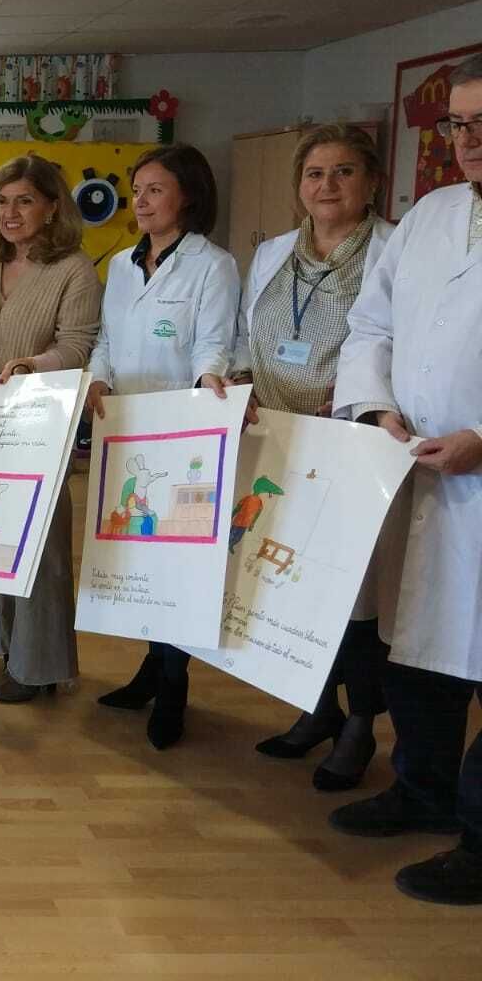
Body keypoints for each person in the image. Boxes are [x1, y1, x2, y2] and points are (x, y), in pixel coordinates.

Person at [329, 53, 482, 906]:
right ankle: (421, 791)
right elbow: (369, 325)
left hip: (477, 470)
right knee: (418, 646)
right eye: (458, 123)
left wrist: (481, 439)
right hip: (418, 472)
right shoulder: (430, 217)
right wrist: (375, 407)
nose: (468, 140)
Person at [224, 124, 395, 790]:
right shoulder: (271, 254)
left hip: (350, 445)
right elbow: (247, 335)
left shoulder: (392, 251)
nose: (327, 186)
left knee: (350, 595)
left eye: (344, 172)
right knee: (287, 581)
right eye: (315, 173)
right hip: (276, 441)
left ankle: (360, 725)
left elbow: (394, 345)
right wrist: (236, 380)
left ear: (373, 181)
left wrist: (360, 403)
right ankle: (316, 709)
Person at [88, 143, 239, 749]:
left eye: (155, 189)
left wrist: (210, 380)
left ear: (188, 196)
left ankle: (174, 683)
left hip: (184, 432)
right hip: (124, 427)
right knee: (139, 558)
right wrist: (97, 376)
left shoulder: (213, 264)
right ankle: (152, 667)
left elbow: (214, 344)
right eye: (137, 189)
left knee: (178, 561)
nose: (141, 200)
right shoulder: (123, 264)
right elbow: (106, 336)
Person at [0, 154, 101, 702]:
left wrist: (35, 365)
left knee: (39, 543)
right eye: (2, 202)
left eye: (25, 201)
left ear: (53, 206)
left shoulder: (75, 268)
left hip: (38, 419)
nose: (10, 213)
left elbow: (79, 344)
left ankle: (37, 665)